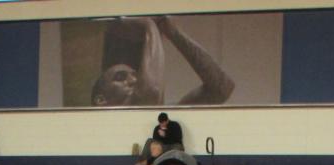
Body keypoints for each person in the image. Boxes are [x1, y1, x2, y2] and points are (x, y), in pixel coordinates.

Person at [91, 16, 234, 107]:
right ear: (101, 100)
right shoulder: (98, 126)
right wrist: (149, 24)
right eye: (120, 77)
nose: (134, 79)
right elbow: (151, 92)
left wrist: (173, 31)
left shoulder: (163, 119)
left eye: (136, 74)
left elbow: (222, 88)